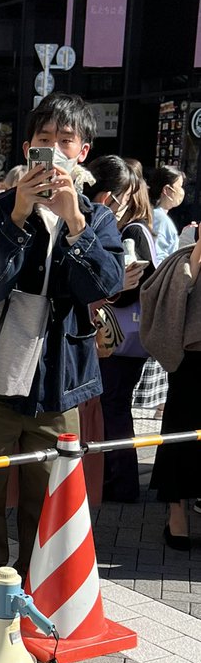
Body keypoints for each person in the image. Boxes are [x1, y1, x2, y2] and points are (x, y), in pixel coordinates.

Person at [0, 92, 124, 577]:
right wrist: (17, 217)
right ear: (27, 148)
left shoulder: (97, 218)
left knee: (50, 499)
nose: (54, 150)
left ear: (83, 151)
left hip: (58, 385)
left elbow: (105, 286)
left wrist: (75, 222)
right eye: (44, 139)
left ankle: (38, 590)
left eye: (65, 141)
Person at [88, 157, 157, 503]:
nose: (120, 202)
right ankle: (119, 480)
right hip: (129, 339)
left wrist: (112, 285)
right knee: (115, 407)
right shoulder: (136, 229)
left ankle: (121, 481)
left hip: (121, 339)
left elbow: (135, 285)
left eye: (126, 196)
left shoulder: (131, 231)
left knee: (113, 408)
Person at [141, 235, 201, 548]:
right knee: (181, 432)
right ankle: (176, 511)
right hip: (192, 360)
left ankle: (183, 510)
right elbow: (182, 287)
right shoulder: (186, 255)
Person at [149, 165, 186, 260]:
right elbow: (158, 257)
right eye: (180, 186)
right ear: (166, 189)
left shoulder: (156, 214)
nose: (182, 191)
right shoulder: (160, 219)